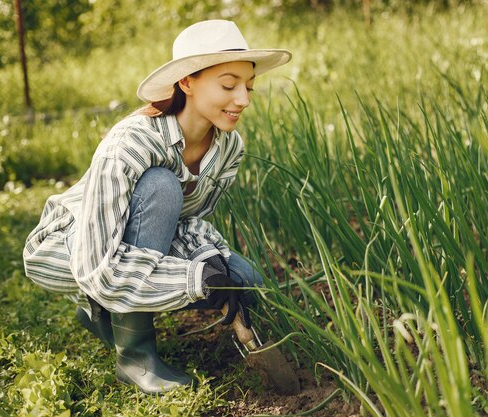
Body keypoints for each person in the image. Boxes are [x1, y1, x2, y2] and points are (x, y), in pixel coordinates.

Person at [22, 19, 291, 394]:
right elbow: (96, 264)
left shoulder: (229, 146)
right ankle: (135, 357)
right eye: (229, 85)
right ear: (187, 83)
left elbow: (191, 219)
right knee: (161, 186)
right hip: (78, 247)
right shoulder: (131, 142)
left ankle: (101, 314)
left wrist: (209, 260)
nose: (243, 99)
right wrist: (196, 280)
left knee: (245, 281)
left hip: (131, 245)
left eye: (248, 86)